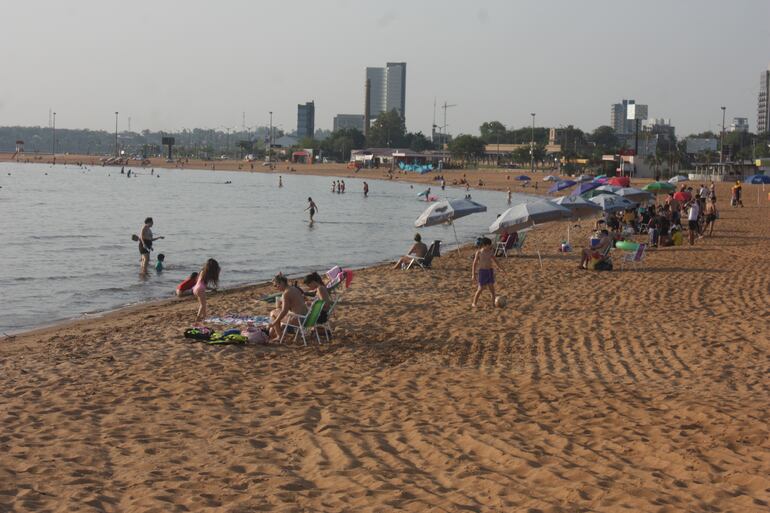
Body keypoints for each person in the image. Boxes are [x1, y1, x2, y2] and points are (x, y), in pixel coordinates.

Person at [268, 274, 309, 341]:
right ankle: (272, 333)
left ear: (281, 283)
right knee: (277, 311)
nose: (276, 288)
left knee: (273, 313)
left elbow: (284, 311)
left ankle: (280, 336)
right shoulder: (295, 289)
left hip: (298, 320)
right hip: (305, 318)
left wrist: (274, 322)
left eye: (276, 285)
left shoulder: (286, 293)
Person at [471, 237, 503, 308]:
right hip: (482, 272)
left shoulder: (490, 252)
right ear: (484, 245)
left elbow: (495, 260)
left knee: (492, 290)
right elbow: (474, 264)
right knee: (480, 289)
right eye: (489, 245)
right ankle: (474, 303)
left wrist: (500, 268)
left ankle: (493, 304)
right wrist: (473, 275)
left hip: (490, 271)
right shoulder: (479, 252)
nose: (490, 246)